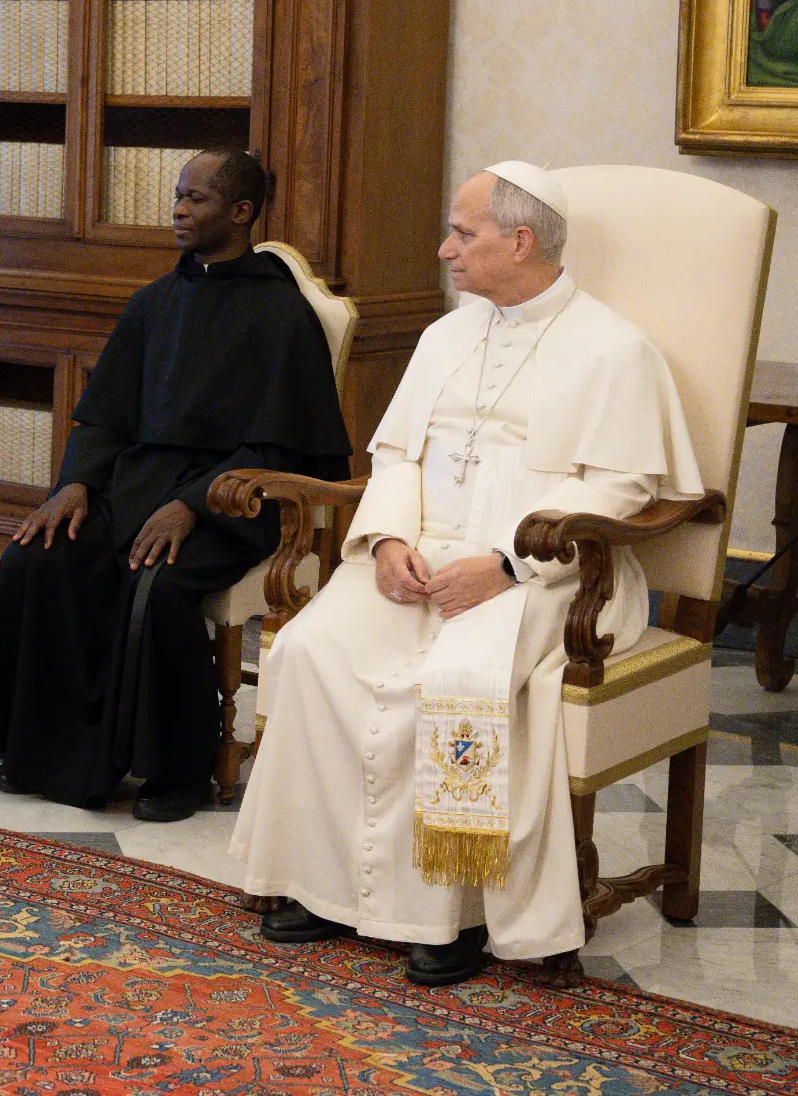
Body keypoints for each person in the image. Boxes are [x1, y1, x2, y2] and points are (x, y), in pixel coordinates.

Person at [232, 161, 703, 986]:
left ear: (520, 241)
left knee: (447, 683)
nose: (445, 248)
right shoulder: (445, 337)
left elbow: (625, 487)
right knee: (310, 651)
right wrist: (386, 540)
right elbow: (396, 457)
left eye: (462, 232)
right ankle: (323, 885)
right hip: (419, 561)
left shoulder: (615, 350)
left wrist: (508, 563)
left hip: (550, 579)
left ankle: (448, 916)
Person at [0, 150, 352, 821]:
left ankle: (179, 771)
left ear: (241, 212)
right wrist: (76, 484)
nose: (179, 210)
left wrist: (192, 505)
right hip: (137, 487)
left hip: (235, 499)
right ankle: (44, 751)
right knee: (38, 556)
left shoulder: (282, 315)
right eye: (178, 195)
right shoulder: (154, 303)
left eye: (196, 198)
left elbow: (279, 444)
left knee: (158, 585)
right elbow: (104, 417)